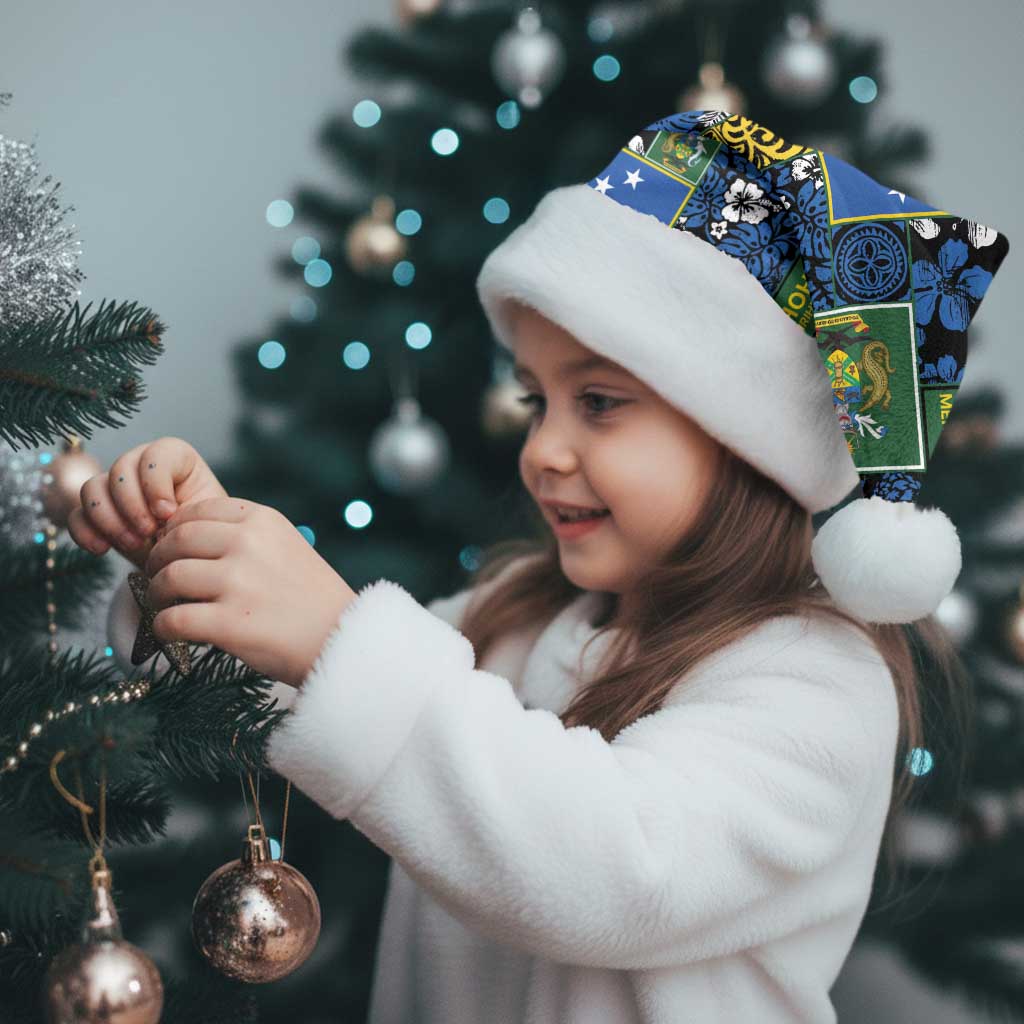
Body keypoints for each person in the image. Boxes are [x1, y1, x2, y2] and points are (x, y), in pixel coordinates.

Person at [75, 109, 1010, 1023]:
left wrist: (334, 637)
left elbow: (615, 871)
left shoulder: (818, 682)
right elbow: (305, 691)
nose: (542, 451)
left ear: (747, 440)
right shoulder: (516, 615)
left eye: (598, 402)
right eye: (536, 401)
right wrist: (193, 563)